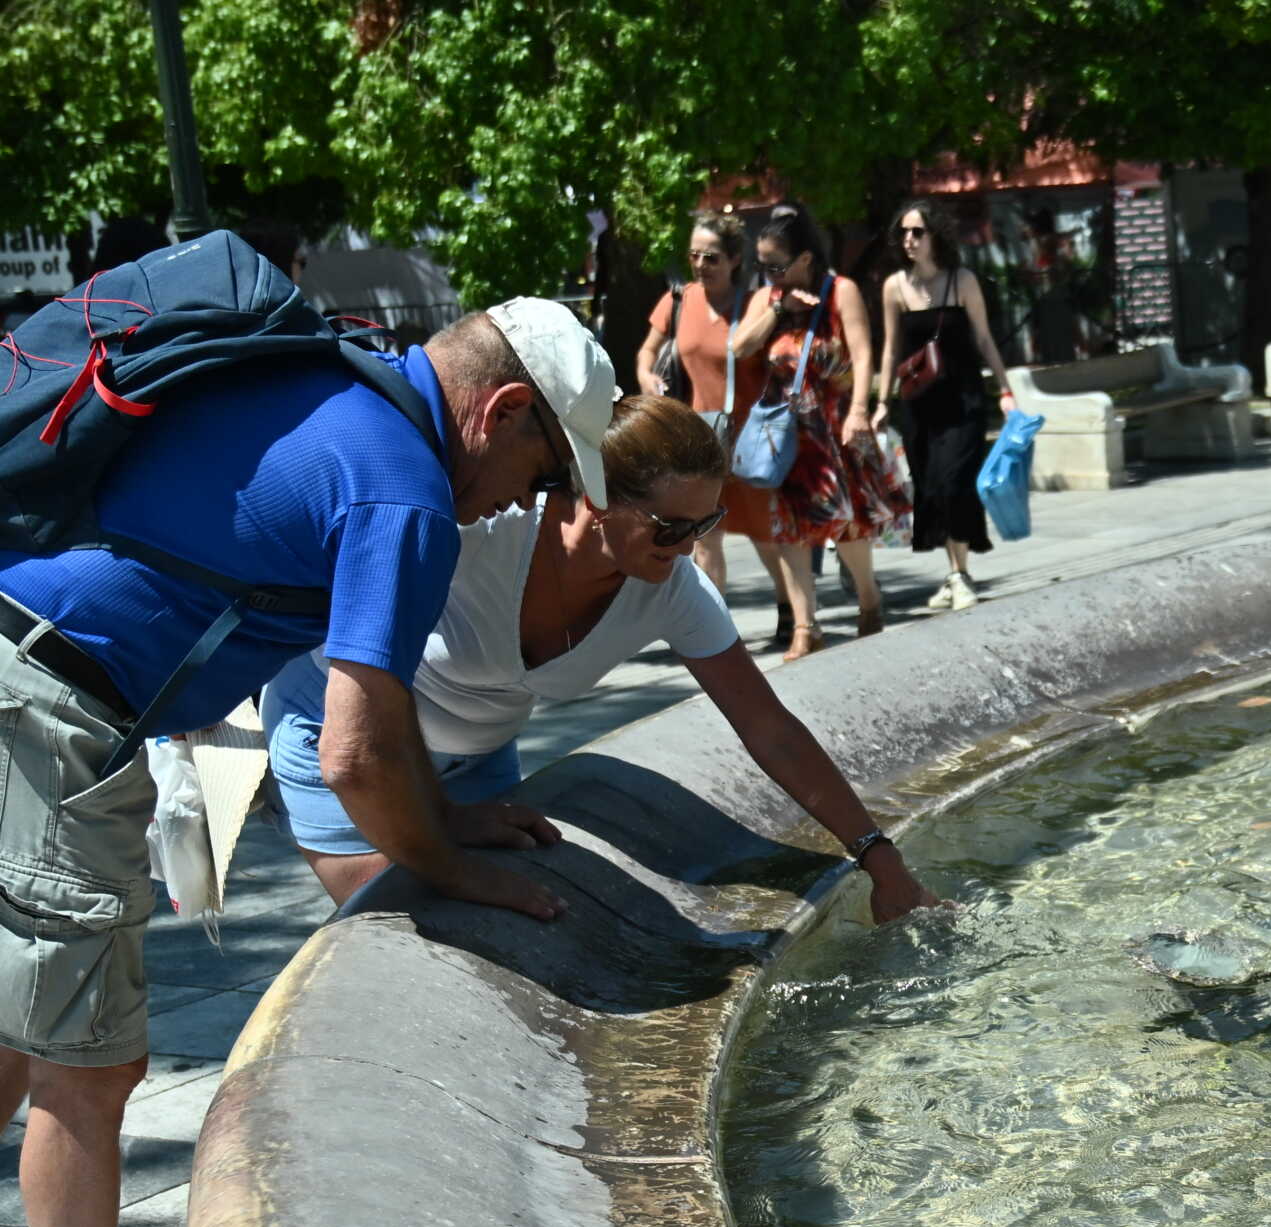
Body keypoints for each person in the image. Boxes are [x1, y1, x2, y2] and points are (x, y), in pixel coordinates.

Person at [0, 288, 609, 1227]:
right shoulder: (406, 489)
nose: (534, 503)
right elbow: (353, 752)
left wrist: (450, 812)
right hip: (53, 707)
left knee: (16, 1044)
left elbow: (380, 735)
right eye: (545, 464)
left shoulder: (339, 385)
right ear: (499, 411)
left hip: (17, 647)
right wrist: (450, 865)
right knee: (87, 1062)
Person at [260, 396, 937, 920]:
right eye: (670, 527)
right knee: (399, 925)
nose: (687, 547)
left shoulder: (671, 587)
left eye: (706, 525)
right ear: (595, 497)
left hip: (478, 753)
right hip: (349, 737)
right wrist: (434, 819)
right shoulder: (480, 534)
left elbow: (770, 728)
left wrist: (877, 855)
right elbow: (369, 702)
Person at [749, 205, 887, 658]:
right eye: (762, 265)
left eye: (776, 264)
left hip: (835, 426)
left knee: (845, 524)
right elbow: (739, 347)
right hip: (788, 435)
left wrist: (861, 410)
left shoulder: (839, 291)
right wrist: (776, 309)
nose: (769, 273)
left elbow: (864, 354)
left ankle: (868, 601)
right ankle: (806, 627)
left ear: (805, 259)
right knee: (787, 531)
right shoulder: (769, 298)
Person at [871, 200, 1014, 613]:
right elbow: (891, 349)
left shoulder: (962, 281)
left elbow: (984, 338)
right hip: (919, 405)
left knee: (955, 482)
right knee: (932, 487)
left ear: (936, 236)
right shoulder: (895, 286)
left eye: (918, 232)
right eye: (903, 233)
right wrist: (882, 402)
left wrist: (1006, 390)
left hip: (963, 398)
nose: (909, 240)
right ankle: (954, 573)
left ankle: (960, 573)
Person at [637, 213, 779, 612]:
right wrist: (646, 377)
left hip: (749, 437)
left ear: (735, 260)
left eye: (712, 257)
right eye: (695, 256)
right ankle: (715, 621)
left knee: (764, 532)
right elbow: (647, 350)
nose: (701, 265)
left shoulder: (754, 304)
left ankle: (790, 609)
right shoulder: (679, 300)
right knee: (704, 534)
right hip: (698, 435)